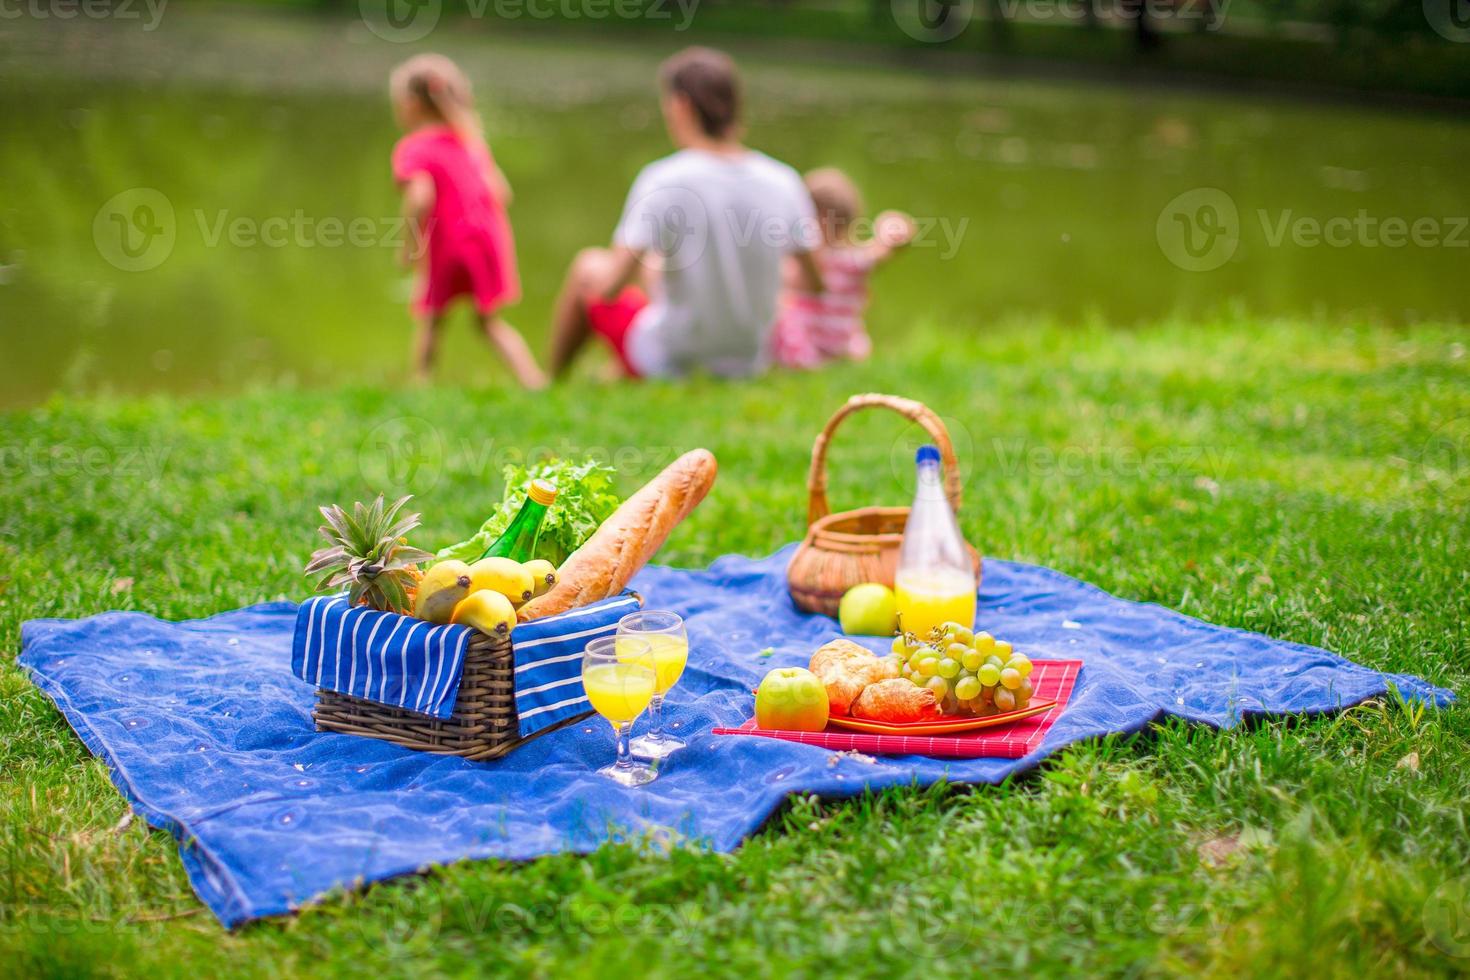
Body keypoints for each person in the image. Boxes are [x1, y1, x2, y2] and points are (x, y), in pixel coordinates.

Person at [548, 47, 823, 380]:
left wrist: (650, 273)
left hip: (671, 361)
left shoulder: (663, 178)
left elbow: (610, 288)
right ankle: (609, 376)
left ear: (681, 106)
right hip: (750, 362)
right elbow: (815, 282)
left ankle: (551, 380)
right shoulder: (784, 180)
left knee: (588, 267)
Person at [389, 54, 546, 389]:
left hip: (447, 242)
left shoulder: (413, 148)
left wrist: (410, 246)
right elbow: (502, 193)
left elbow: (420, 197)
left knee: (432, 318)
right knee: (488, 321)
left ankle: (420, 383)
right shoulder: (470, 140)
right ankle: (533, 380)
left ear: (411, 104)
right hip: (486, 240)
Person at [771, 167, 916, 370]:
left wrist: (894, 227)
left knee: (780, 308)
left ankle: (804, 364)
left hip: (810, 343)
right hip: (841, 341)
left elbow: (894, 243)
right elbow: (892, 242)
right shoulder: (855, 260)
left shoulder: (843, 260)